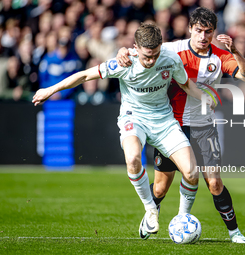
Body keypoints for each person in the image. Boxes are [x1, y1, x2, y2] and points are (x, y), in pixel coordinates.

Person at [32, 23, 215, 238]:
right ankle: (150, 210)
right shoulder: (123, 62)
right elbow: (83, 76)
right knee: (133, 158)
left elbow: (185, 84)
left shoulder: (169, 58)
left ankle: (182, 219)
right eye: (147, 56)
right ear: (135, 48)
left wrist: (205, 98)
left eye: (155, 55)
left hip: (164, 120)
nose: (151, 61)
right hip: (134, 117)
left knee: (192, 173)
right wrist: (50, 89)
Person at [116, 7, 245, 243]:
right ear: (190, 28)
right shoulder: (172, 49)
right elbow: (136, 51)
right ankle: (151, 213)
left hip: (204, 127)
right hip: (173, 126)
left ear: (213, 32)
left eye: (208, 31)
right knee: (160, 188)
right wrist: (121, 50)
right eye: (199, 30)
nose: (203, 36)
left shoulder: (220, 57)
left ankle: (234, 232)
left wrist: (236, 51)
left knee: (214, 182)